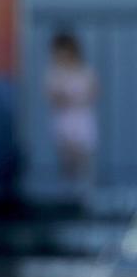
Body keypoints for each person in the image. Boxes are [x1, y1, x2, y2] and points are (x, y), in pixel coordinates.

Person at [45, 30, 98, 191]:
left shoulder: (85, 71)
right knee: (67, 158)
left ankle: (85, 191)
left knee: (84, 157)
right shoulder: (54, 73)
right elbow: (53, 96)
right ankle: (68, 192)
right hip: (64, 121)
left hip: (82, 120)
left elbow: (93, 91)